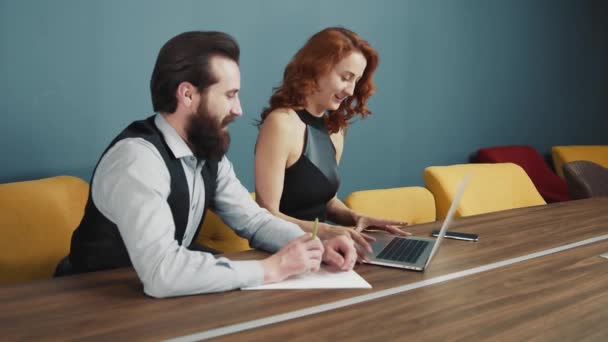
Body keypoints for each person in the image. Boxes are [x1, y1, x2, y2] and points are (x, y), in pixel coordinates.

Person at [55, 31, 356, 298]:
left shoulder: (207, 153)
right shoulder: (137, 159)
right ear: (187, 94)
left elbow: (254, 220)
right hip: (96, 301)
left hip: (159, 295)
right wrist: (269, 270)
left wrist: (312, 245)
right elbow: (163, 272)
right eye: (229, 95)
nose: (238, 110)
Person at [255, 27, 409, 259]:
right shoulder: (280, 123)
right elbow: (267, 214)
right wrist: (326, 230)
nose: (350, 90)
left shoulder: (334, 130)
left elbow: (325, 201)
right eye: (345, 77)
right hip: (281, 253)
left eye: (355, 81)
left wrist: (356, 218)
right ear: (316, 67)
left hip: (324, 251)